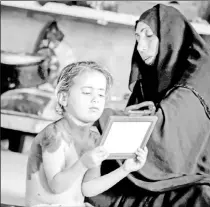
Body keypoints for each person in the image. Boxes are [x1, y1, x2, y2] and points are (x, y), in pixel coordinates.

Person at [86, 3, 210, 207]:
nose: (140, 46)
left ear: (170, 36)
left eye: (149, 36)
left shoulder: (199, 77)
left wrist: (103, 117)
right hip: (167, 167)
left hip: (202, 169)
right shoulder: (156, 72)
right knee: (91, 183)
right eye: (137, 37)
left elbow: (164, 138)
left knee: (203, 197)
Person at [25, 61, 148, 207]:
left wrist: (125, 169)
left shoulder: (94, 139)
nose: (95, 99)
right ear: (64, 98)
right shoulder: (53, 135)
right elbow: (56, 186)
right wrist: (83, 163)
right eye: (87, 92)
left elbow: (88, 189)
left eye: (101, 94)